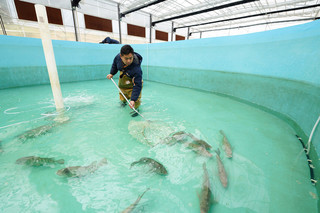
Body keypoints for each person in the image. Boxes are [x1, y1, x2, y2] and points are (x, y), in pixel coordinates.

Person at [106, 45, 143, 117]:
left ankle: (136, 109)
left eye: (130, 58)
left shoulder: (137, 69)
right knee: (122, 92)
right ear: (121, 56)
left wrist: (133, 99)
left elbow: (137, 85)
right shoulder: (117, 58)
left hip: (134, 81)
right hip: (124, 76)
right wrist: (112, 73)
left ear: (133, 55)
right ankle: (123, 102)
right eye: (126, 59)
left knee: (136, 100)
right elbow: (114, 65)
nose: (129, 61)